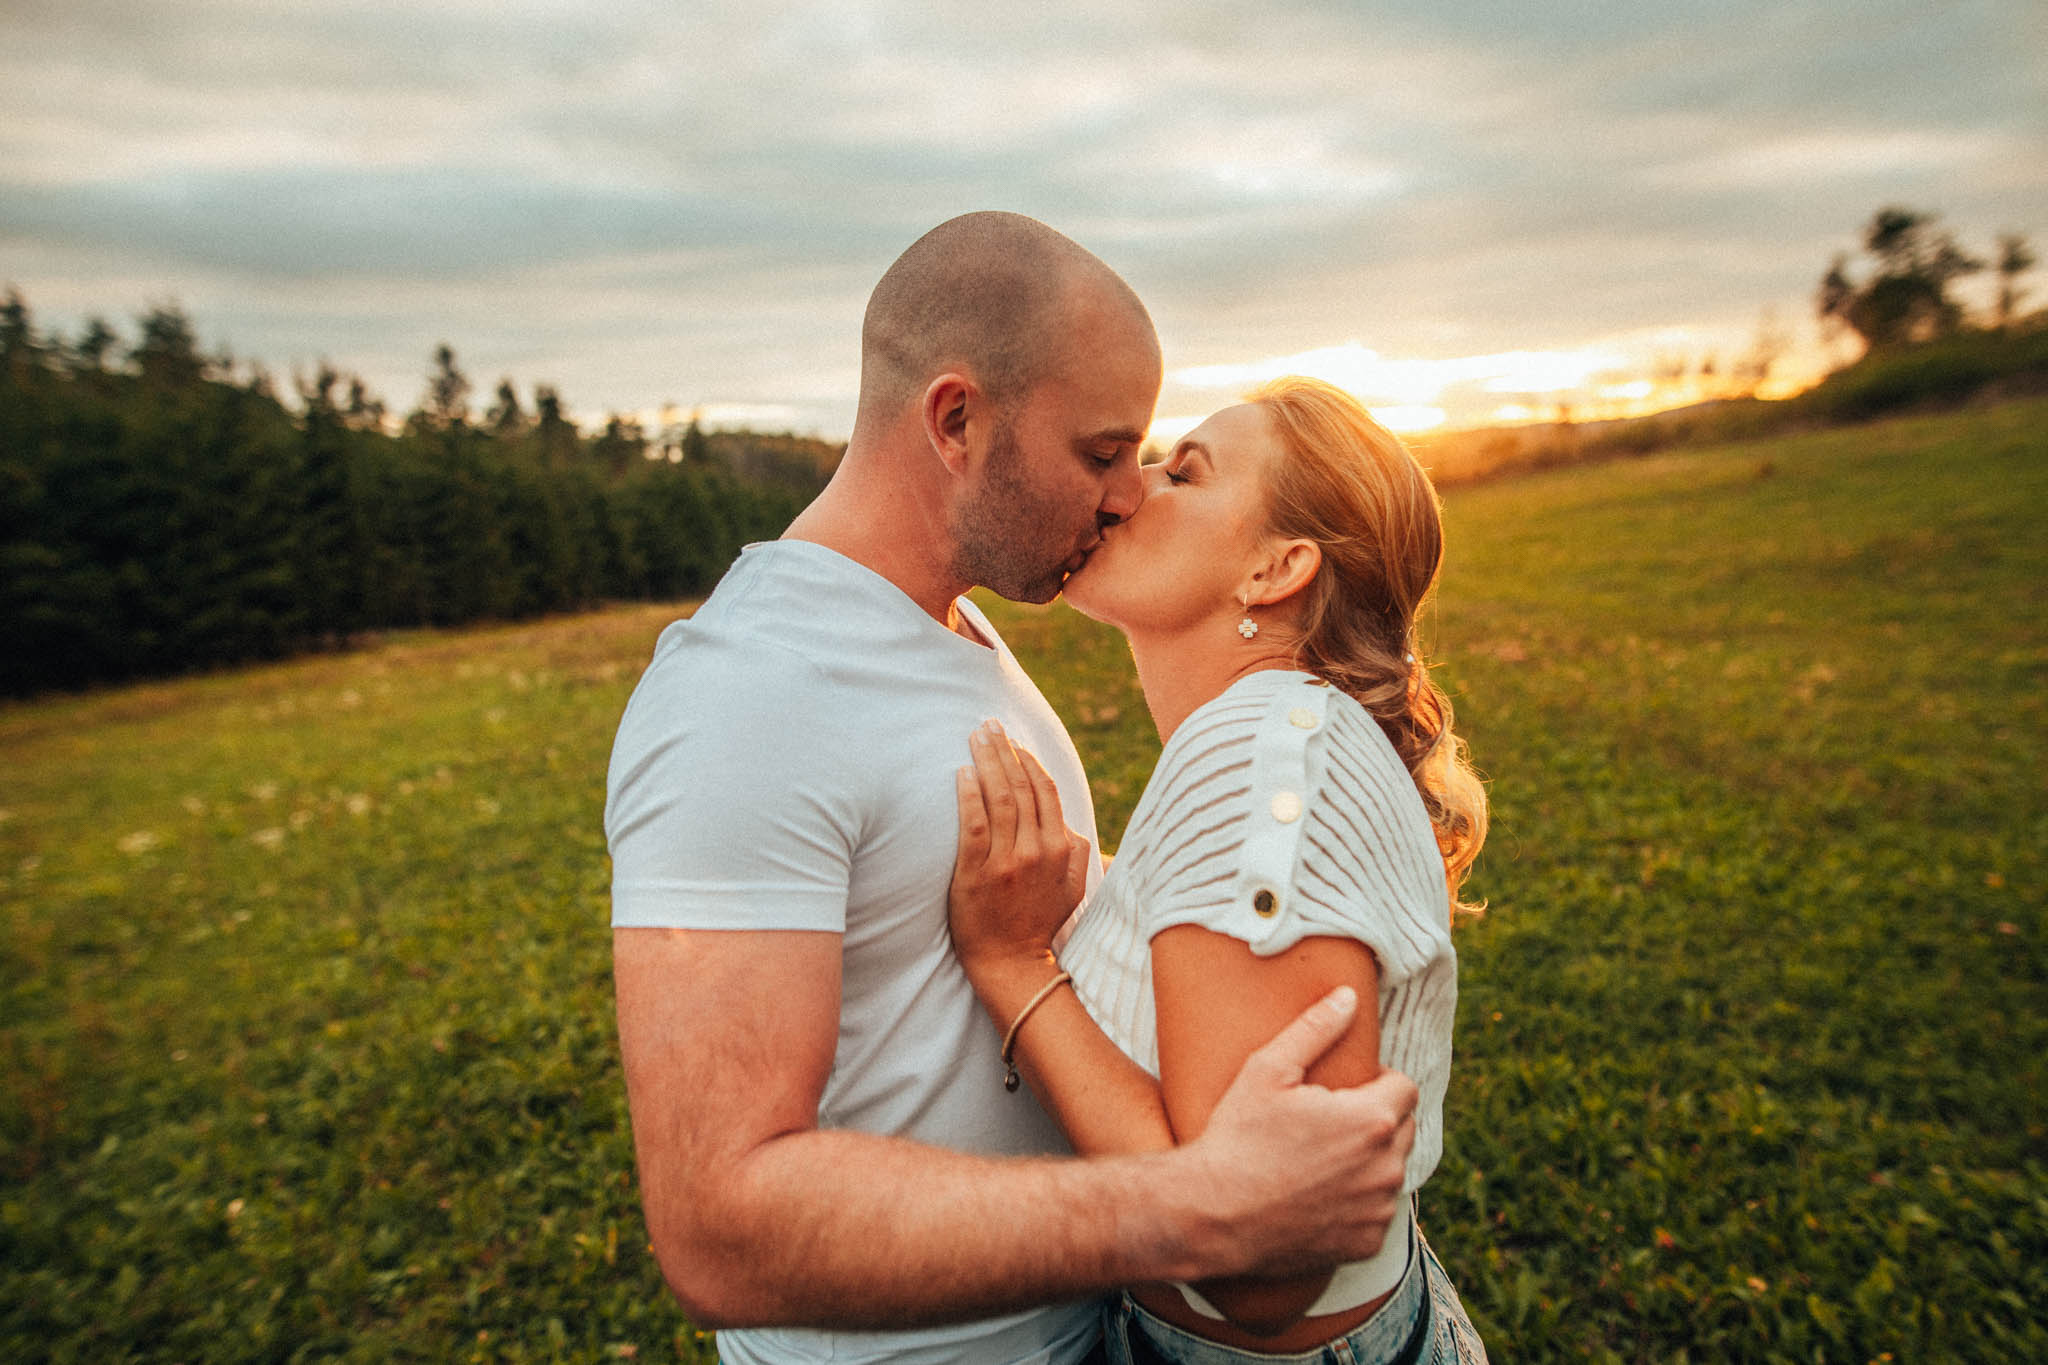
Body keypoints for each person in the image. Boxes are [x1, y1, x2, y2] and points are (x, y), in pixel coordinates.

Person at [606, 214, 1422, 1365]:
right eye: (1101, 454)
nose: (1125, 496)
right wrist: (1197, 1204)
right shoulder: (743, 699)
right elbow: (717, 1231)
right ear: (955, 422)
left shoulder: (958, 625)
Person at [946, 377, 1492, 1363]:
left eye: (1180, 472)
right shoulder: (1270, 737)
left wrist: (1013, 965)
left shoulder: (1258, 761)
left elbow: (1259, 1269)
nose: (1125, 491)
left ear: (1275, 570)